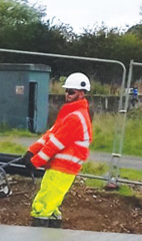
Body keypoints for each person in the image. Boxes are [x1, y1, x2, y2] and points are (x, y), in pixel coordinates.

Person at [17, 72, 92, 228]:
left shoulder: (75, 117)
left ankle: (39, 238)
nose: (67, 94)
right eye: (66, 91)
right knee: (51, 206)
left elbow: (55, 144)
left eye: (71, 92)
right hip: (60, 169)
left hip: (62, 169)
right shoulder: (70, 114)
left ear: (81, 93)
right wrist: (31, 151)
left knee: (42, 205)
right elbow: (50, 135)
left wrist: (34, 162)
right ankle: (51, 238)